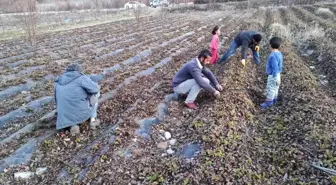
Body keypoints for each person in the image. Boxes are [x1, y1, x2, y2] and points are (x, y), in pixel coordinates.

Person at [54, 63, 100, 134]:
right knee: (96, 94)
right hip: (81, 112)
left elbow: (56, 100)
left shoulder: (58, 81)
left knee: (68, 100)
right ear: (79, 71)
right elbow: (95, 89)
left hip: (63, 116)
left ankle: (73, 125)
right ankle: (93, 120)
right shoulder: (81, 78)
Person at [261, 37, 283, 108]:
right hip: (278, 75)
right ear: (279, 46)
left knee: (271, 88)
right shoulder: (279, 53)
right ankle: (274, 99)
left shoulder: (272, 56)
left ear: (270, 46)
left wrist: (274, 76)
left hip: (273, 75)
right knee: (275, 88)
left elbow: (275, 67)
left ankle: (268, 102)